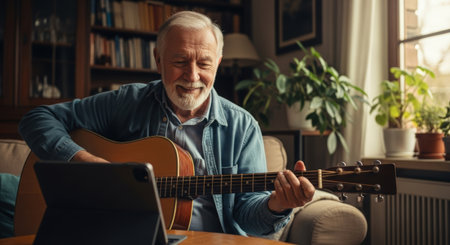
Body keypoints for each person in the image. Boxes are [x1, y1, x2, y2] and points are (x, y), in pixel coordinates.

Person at [19, 11, 315, 237]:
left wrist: (278, 204)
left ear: (219, 62)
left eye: (204, 63)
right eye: (179, 62)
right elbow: (37, 118)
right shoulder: (127, 102)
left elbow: (250, 219)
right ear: (158, 60)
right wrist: (84, 161)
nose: (193, 75)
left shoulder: (243, 127)